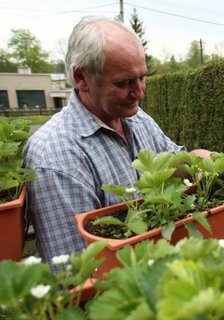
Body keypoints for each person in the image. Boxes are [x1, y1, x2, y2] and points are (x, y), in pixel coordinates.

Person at [23, 16, 209, 271]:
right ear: (81, 77)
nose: (140, 92)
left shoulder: (136, 118)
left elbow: (176, 160)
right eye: (124, 82)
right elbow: (75, 274)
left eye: (142, 78)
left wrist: (216, 162)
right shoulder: (54, 155)